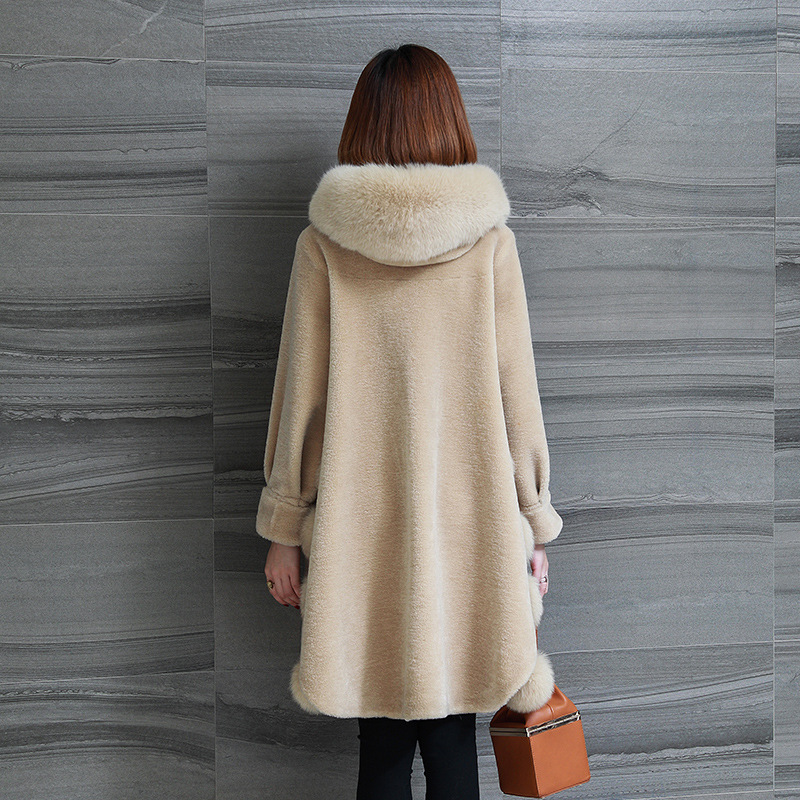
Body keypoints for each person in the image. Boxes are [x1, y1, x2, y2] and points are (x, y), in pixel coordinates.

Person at [257, 43, 563, 800]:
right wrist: (532, 521)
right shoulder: (490, 244)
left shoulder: (324, 246)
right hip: (473, 530)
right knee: (456, 743)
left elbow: (300, 401)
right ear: (448, 121)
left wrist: (284, 528)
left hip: (361, 533)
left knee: (383, 748)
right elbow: (518, 399)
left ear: (361, 125)